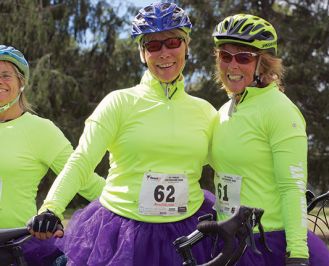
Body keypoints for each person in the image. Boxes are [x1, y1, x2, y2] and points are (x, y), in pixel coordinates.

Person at [28, 2, 217, 265]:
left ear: (187, 45)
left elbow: (231, 167)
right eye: (153, 45)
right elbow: (82, 160)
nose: (164, 53)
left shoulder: (206, 112)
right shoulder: (118, 102)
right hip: (123, 232)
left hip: (188, 231)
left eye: (173, 42)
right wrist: (51, 207)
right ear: (142, 53)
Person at [209, 14, 329, 266]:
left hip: (269, 243)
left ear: (263, 63)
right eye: (225, 56)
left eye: (243, 57)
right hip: (229, 243)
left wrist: (298, 253)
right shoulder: (224, 110)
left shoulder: (279, 110)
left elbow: (292, 188)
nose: (232, 66)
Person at [0, 45, 105, 265]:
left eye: (5, 75)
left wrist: (132, 199)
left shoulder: (40, 130)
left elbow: (81, 177)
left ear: (22, 82)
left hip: (18, 247)